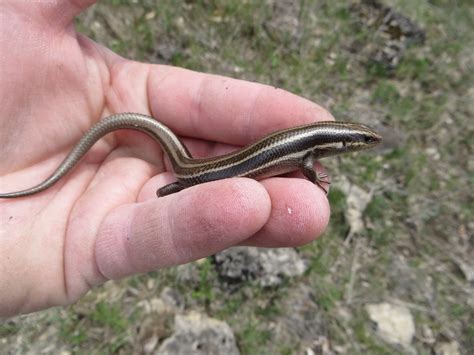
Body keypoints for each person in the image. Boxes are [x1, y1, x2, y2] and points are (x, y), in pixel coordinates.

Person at [0, 0, 332, 317]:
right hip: (190, 173)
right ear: (341, 143)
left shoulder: (307, 146)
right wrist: (315, 178)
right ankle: (166, 189)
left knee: (212, 188)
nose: (363, 145)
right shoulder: (306, 155)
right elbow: (305, 166)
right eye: (360, 141)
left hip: (192, 168)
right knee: (188, 185)